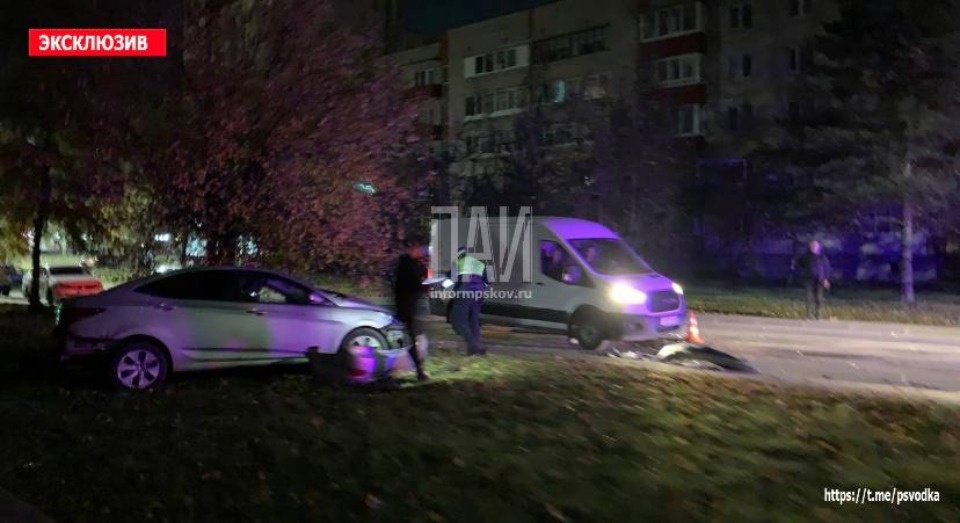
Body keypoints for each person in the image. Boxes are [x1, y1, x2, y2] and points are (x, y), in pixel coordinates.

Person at [392, 237, 430, 381]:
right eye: (419, 250)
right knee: (408, 338)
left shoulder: (409, 263)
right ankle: (418, 370)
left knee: (407, 337)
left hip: (408, 307)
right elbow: (413, 285)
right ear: (412, 249)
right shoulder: (407, 264)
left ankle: (417, 368)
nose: (421, 253)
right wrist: (425, 285)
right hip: (406, 307)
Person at [450, 246, 488, 356]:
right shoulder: (480, 263)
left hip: (464, 292)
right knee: (473, 321)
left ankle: (476, 347)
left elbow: (452, 279)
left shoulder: (458, 261)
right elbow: (488, 280)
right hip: (479, 293)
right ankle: (473, 351)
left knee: (459, 321)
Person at [795, 240, 832, 320]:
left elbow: (827, 269)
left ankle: (818, 315)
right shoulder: (806, 256)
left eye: (815, 246)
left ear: (818, 247)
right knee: (808, 297)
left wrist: (826, 279)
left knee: (819, 298)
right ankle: (809, 315)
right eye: (812, 245)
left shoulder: (822, 257)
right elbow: (800, 263)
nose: (814, 247)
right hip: (809, 280)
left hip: (820, 280)